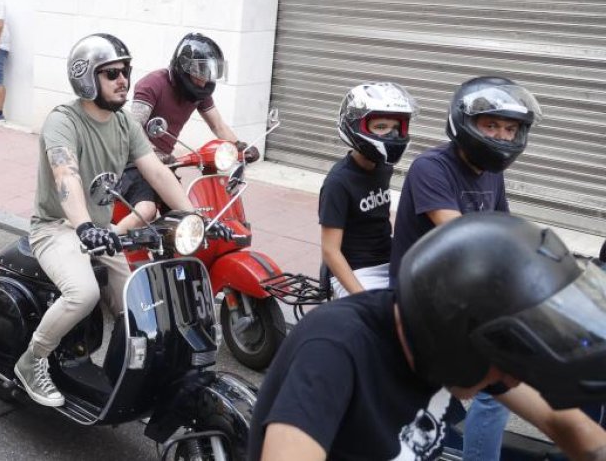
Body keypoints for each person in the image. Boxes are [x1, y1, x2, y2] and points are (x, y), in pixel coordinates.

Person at [249, 212, 606, 461]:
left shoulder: (446, 330)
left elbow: (567, 425)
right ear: (455, 342)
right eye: (505, 367)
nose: (511, 379)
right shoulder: (334, 349)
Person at [15, 33, 195, 408]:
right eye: (111, 73)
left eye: (126, 71)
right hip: (57, 228)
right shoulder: (62, 121)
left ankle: (131, 375)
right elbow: (66, 175)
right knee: (84, 294)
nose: (123, 80)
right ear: (86, 77)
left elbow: (157, 174)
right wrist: (83, 225)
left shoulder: (124, 124)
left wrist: (194, 216)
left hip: (101, 232)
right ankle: (31, 361)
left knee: (138, 300)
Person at [387, 76, 542, 460]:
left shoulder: (492, 171)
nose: (503, 137)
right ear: (465, 124)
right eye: (492, 126)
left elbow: (502, 229)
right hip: (425, 299)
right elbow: (466, 237)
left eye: (510, 129)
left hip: (466, 291)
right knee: (498, 381)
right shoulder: (431, 168)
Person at [121, 33, 257, 225]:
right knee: (147, 211)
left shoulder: (198, 93)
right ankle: (111, 244)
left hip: (166, 165)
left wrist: (241, 147)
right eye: (200, 71)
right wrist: (153, 153)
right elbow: (133, 128)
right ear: (182, 67)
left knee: (184, 217)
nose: (205, 79)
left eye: (209, 72)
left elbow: (217, 125)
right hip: (136, 161)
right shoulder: (152, 84)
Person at [319, 82, 418, 297]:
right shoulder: (339, 181)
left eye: (395, 128)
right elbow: (330, 250)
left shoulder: (383, 167)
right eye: (381, 127)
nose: (391, 135)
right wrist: (360, 296)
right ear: (355, 127)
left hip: (388, 258)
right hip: (356, 270)